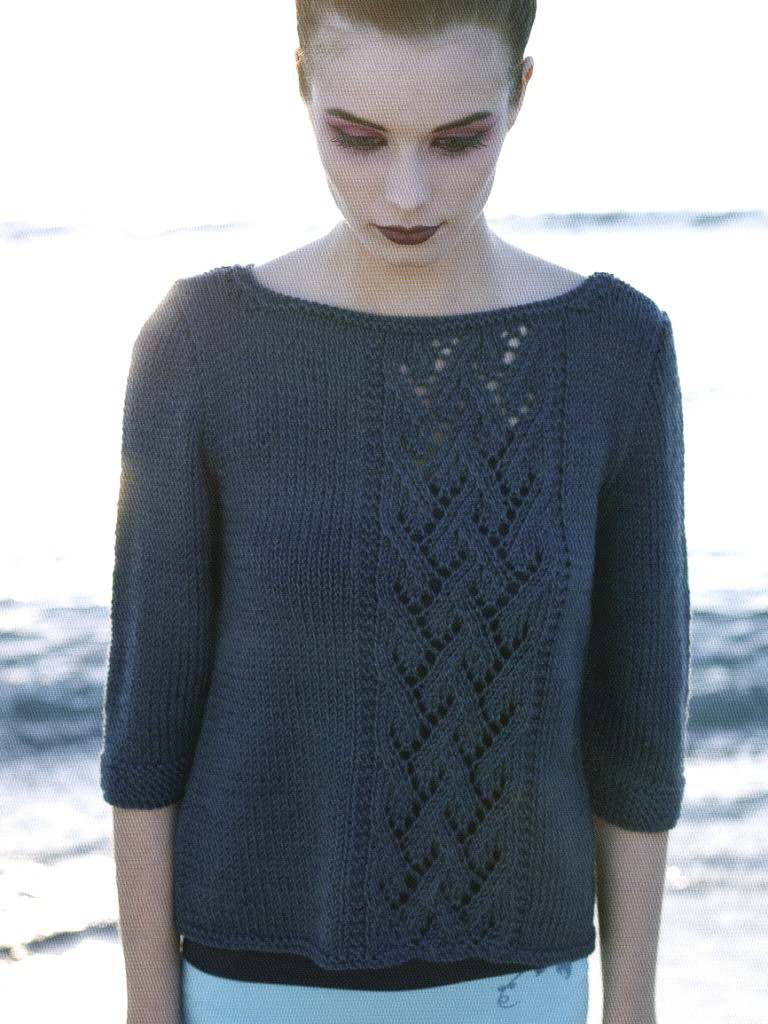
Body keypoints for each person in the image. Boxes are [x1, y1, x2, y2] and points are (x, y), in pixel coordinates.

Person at [99, 3, 691, 1024]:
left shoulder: (616, 350)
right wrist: (149, 1007)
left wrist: (630, 1005)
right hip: (246, 988)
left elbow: (636, 731)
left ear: (521, 94)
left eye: (459, 141)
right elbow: (147, 729)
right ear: (301, 84)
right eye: (358, 138)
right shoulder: (200, 345)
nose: (406, 192)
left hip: (518, 990)